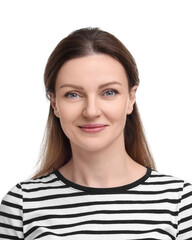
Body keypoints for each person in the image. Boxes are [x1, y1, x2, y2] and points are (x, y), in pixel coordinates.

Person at [0, 27, 191, 240]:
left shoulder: (180, 203)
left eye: (109, 92)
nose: (91, 111)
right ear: (54, 103)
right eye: (73, 94)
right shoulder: (22, 206)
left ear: (131, 98)